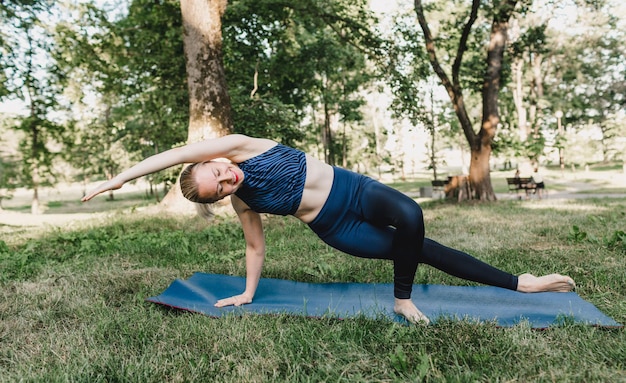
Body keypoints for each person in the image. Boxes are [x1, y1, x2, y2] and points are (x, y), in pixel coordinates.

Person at [82, 134, 575, 324]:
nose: (227, 181)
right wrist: (249, 293)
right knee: (422, 250)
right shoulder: (245, 201)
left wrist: (118, 178)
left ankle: (402, 297)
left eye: (217, 174)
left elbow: (173, 155)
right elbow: (255, 248)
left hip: (355, 190)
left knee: (413, 220)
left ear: (216, 160)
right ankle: (521, 283)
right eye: (220, 191)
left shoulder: (239, 147)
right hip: (335, 227)